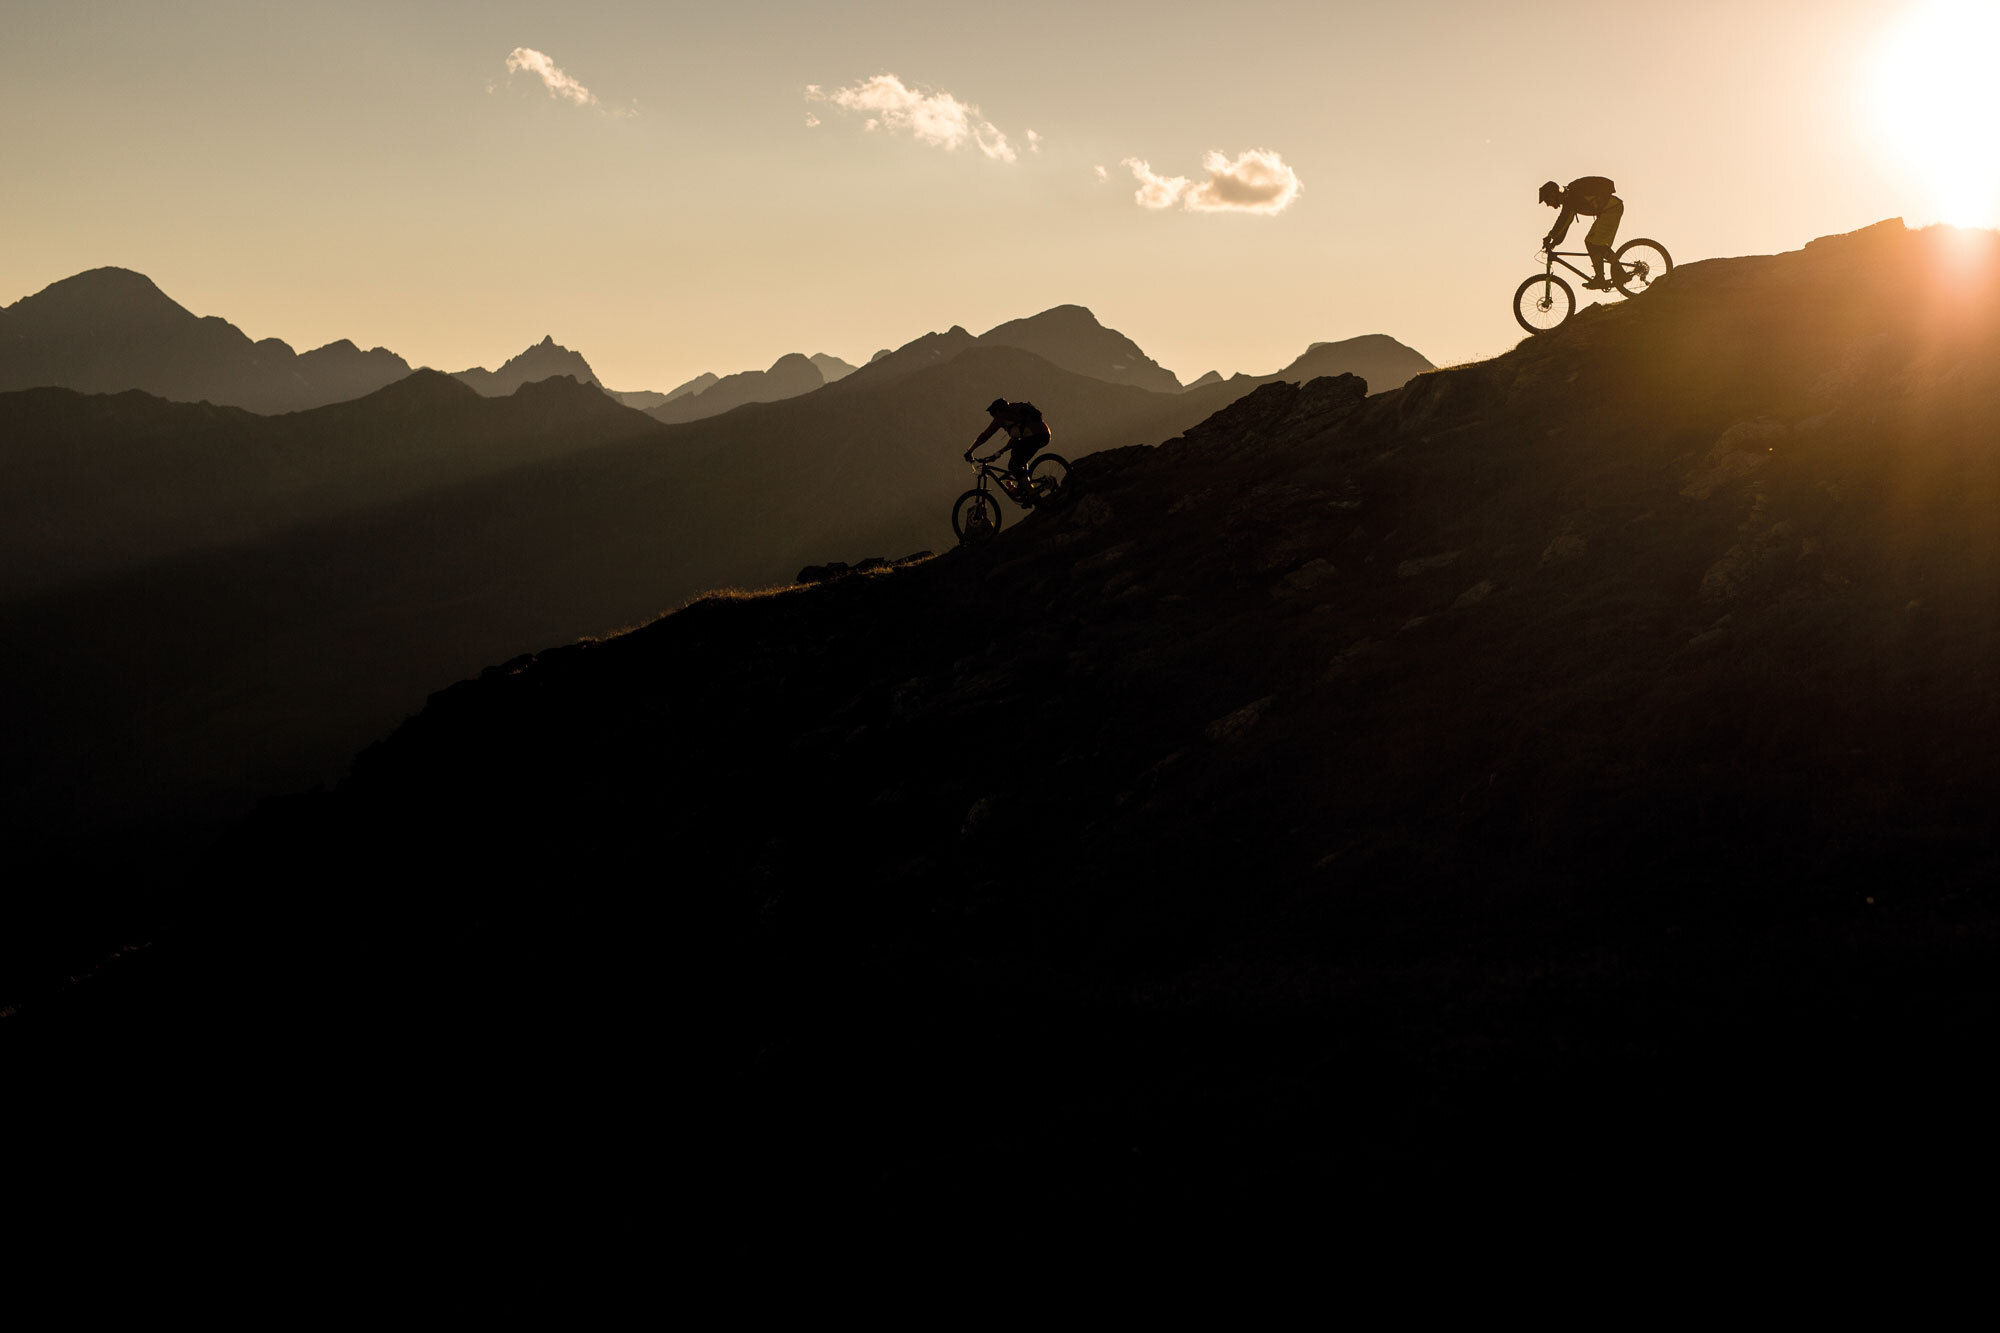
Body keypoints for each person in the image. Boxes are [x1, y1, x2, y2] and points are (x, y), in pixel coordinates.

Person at [1540, 177, 1628, 291]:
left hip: (1612, 209)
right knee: (1593, 243)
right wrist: (1554, 242)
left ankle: (1612, 275)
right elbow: (1565, 224)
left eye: (1547, 200)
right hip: (1609, 210)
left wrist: (1550, 237)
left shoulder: (1571, 199)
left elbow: (1563, 222)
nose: (1548, 204)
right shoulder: (1569, 199)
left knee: (1594, 244)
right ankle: (1605, 276)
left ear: (1553, 195)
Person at [965, 398, 1052, 495]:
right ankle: (1023, 487)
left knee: (1013, 465)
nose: (993, 417)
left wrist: (970, 450)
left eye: (992, 414)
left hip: (1037, 436)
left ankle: (1031, 492)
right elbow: (1014, 440)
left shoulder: (1002, 416)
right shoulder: (1013, 418)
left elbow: (986, 435)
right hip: (1042, 435)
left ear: (997, 411)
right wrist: (999, 452)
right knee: (1016, 453)